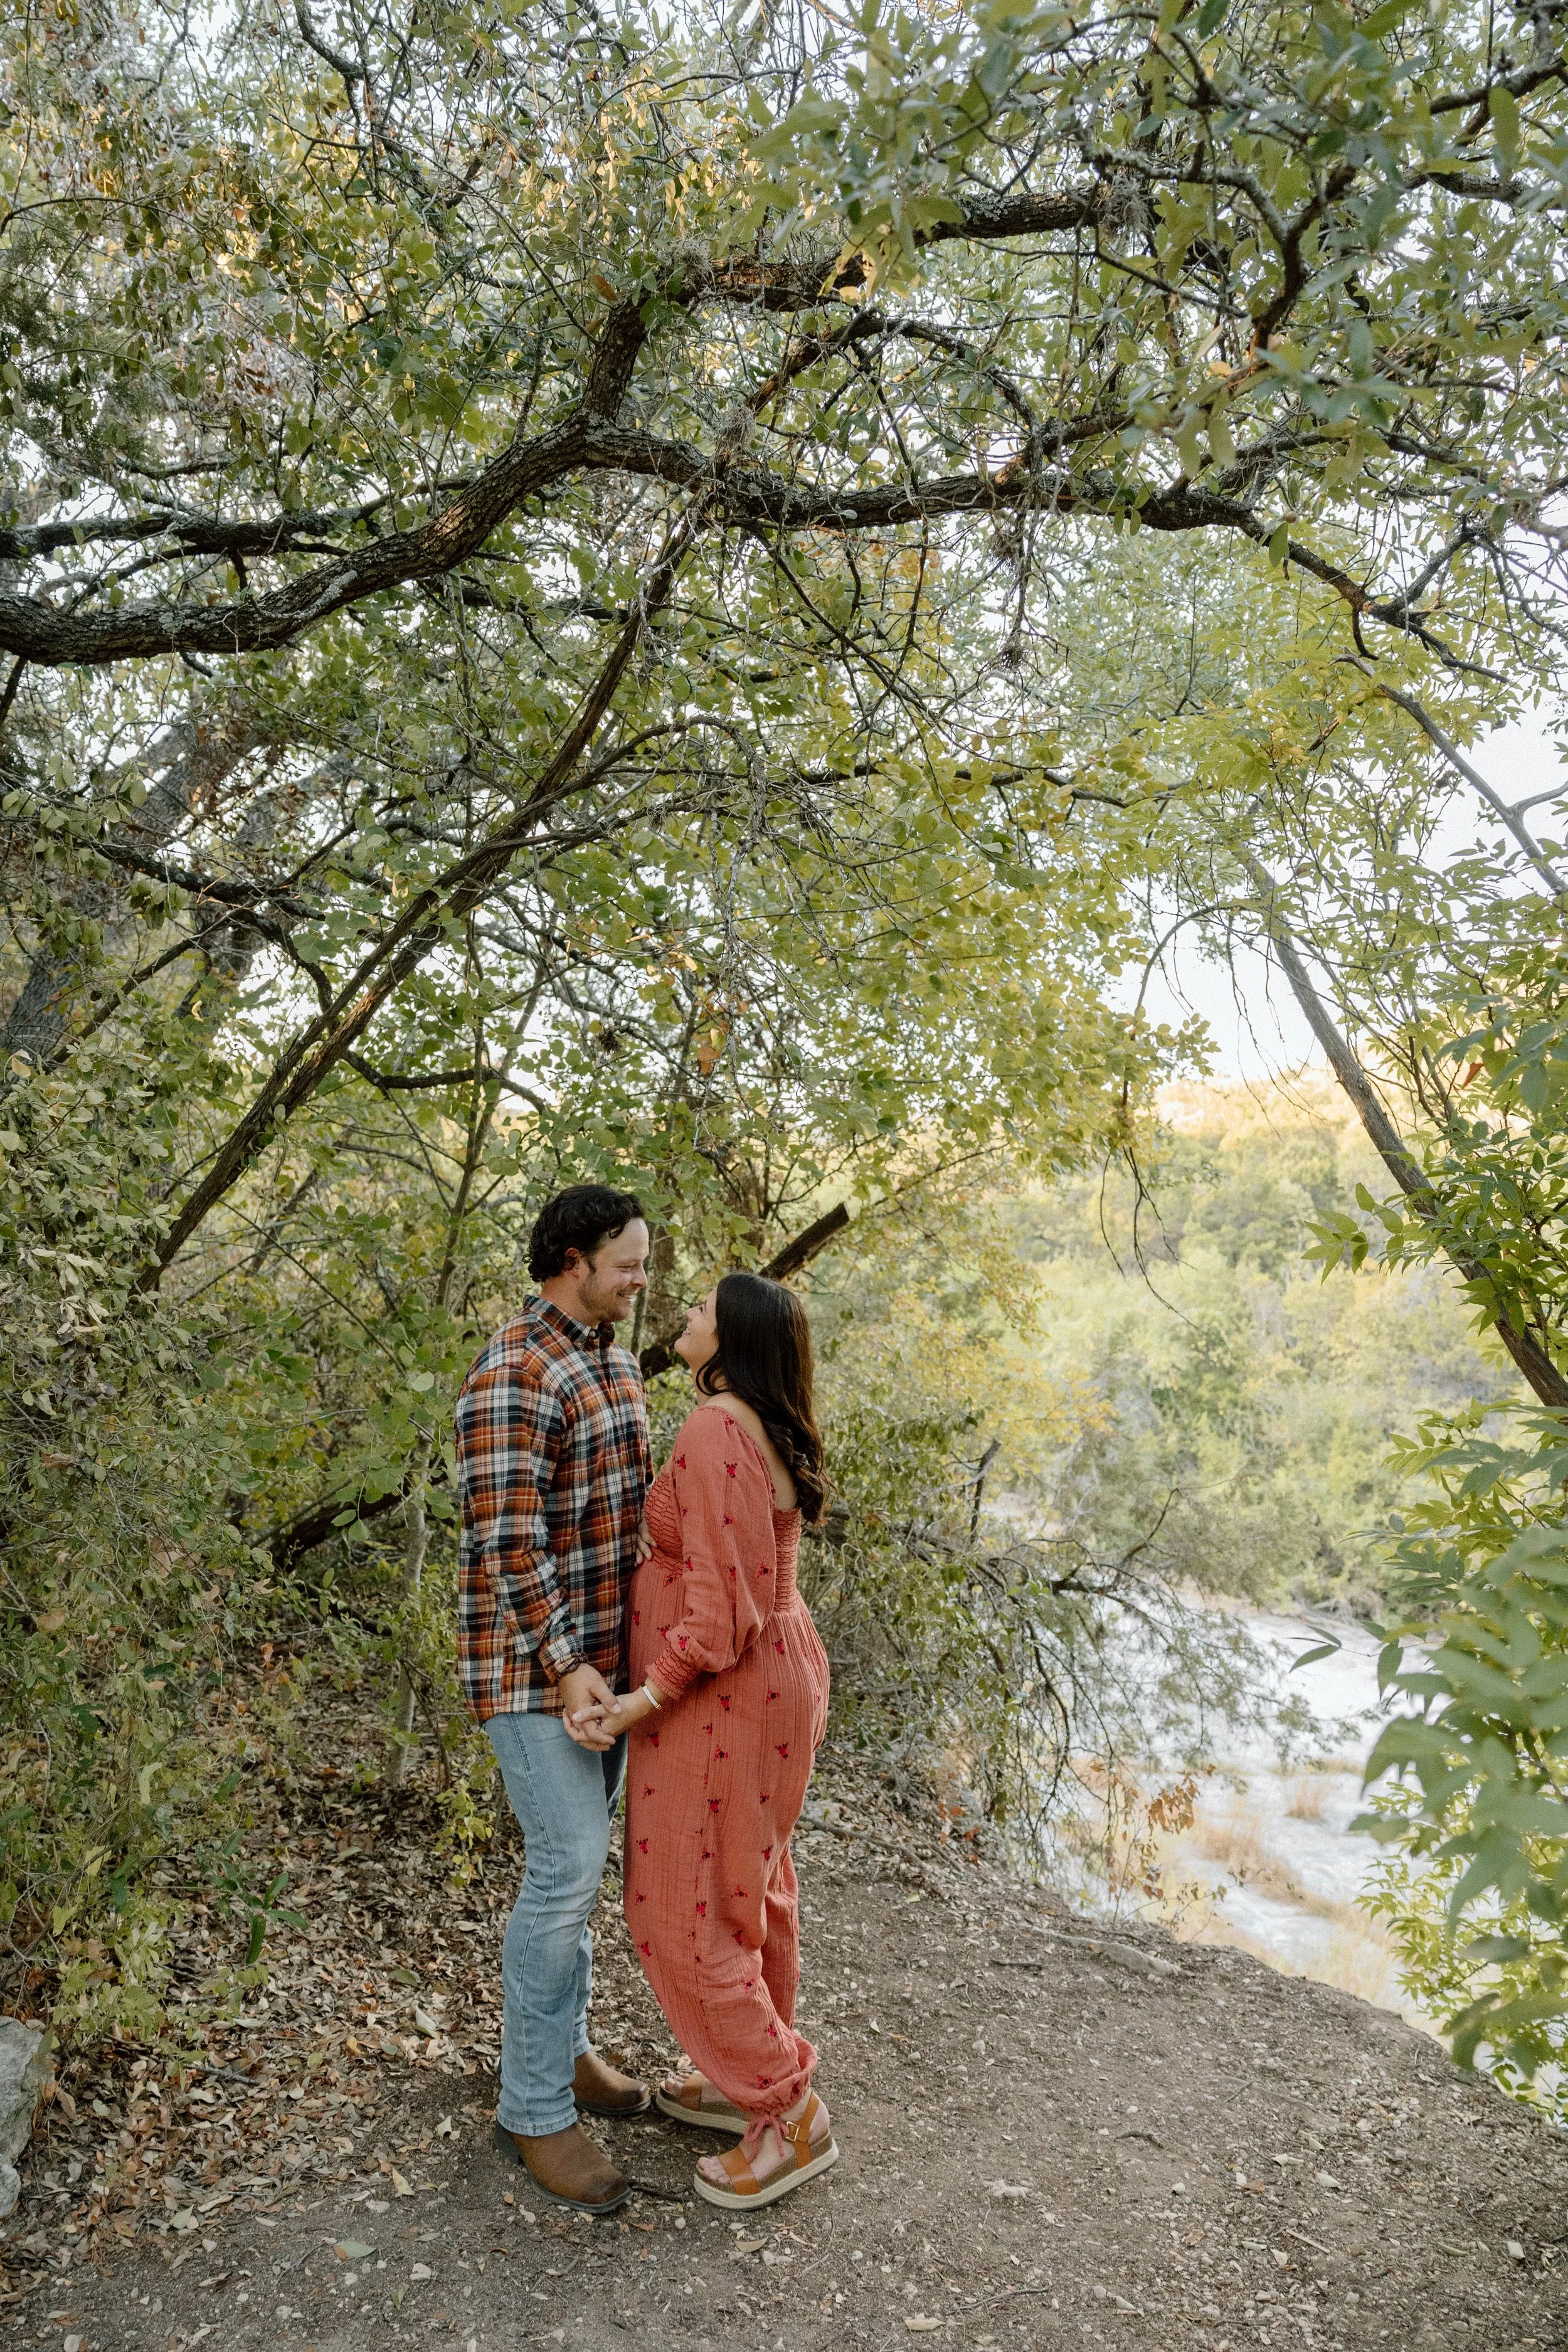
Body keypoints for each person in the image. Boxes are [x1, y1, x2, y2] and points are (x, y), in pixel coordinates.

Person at [574, 1271, 837, 2212]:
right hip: (770, 1680)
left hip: (731, 1692)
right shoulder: (751, 1420)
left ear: (732, 1340)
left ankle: (786, 2108)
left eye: (699, 1310)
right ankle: (743, 2081)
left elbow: (722, 1615)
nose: (684, 1313)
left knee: (680, 1905)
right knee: (747, 1886)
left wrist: (641, 1699)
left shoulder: (718, 1425)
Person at [453, 1182, 654, 2217]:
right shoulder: (513, 1368)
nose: (641, 1280)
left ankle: (569, 2052)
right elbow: (509, 1541)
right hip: (533, 1670)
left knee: (580, 1872)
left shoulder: (612, 1356)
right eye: (627, 1263)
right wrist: (570, 1662)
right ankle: (531, 2110)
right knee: (566, 1867)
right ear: (571, 1258)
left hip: (607, 1674)